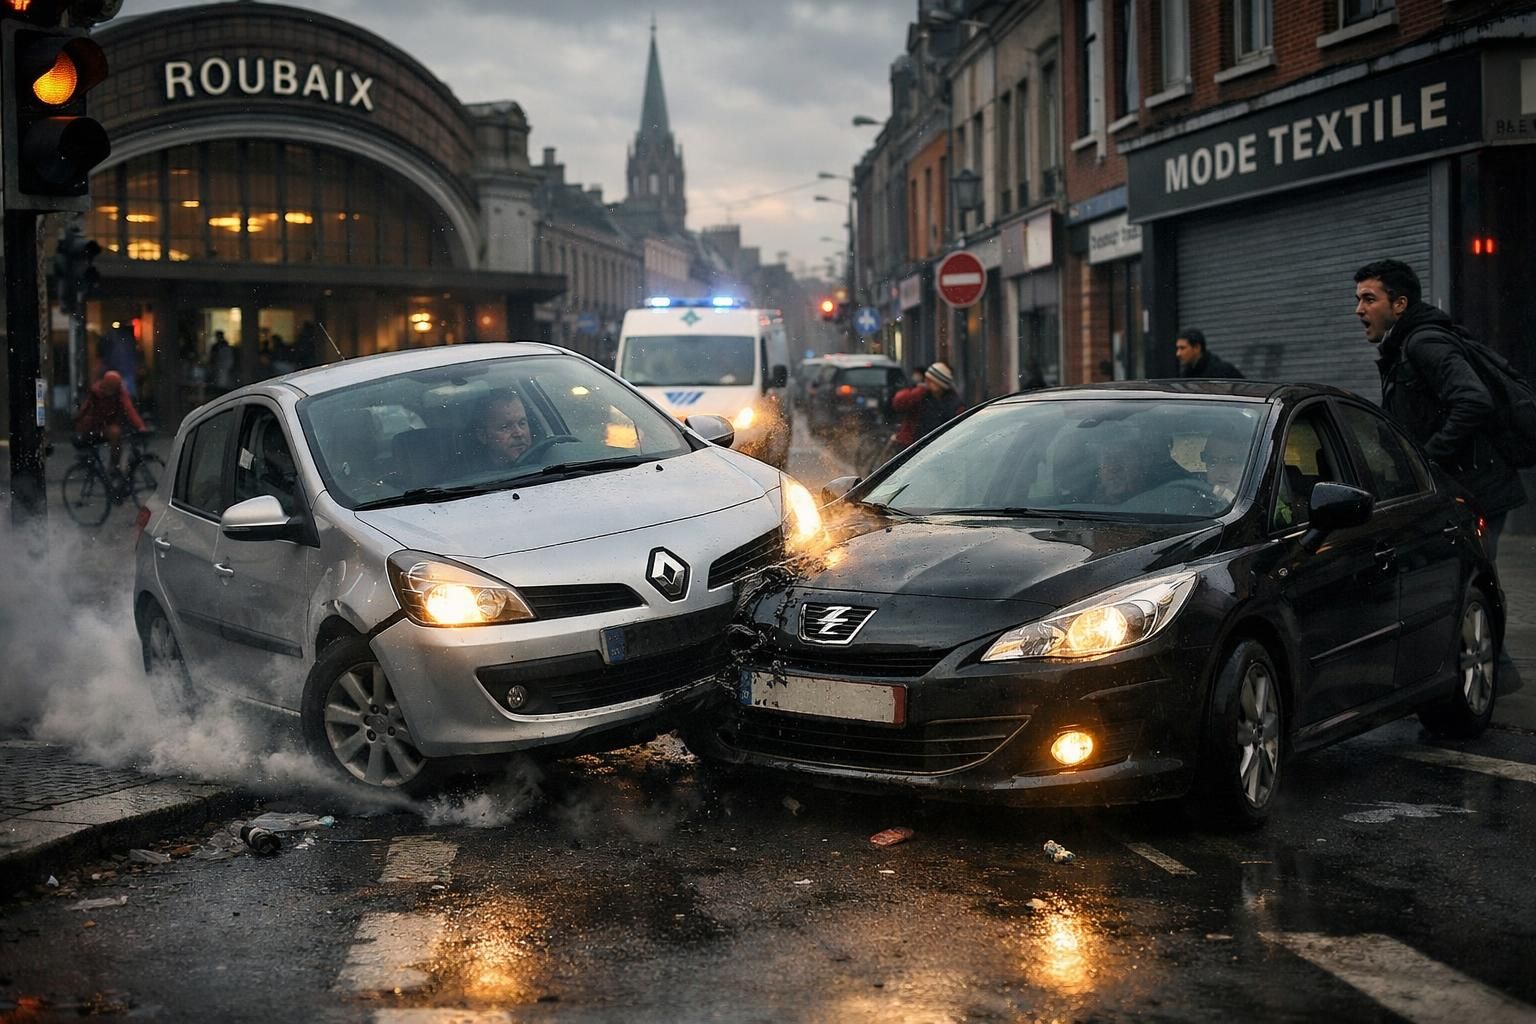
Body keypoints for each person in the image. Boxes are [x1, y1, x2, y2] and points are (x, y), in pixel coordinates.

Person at [1354, 258, 1526, 560]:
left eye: (1369, 299)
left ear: (1400, 304)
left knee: (1470, 578)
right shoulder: (1404, 345)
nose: (1359, 309)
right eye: (1358, 300)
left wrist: (1427, 459)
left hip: (1476, 491)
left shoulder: (1425, 343)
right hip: (1462, 489)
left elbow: (1474, 400)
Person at [74, 369, 146, 482]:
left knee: (117, 437)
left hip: (107, 425)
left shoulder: (119, 392)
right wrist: (78, 423)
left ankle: (114, 466)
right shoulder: (96, 392)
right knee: (115, 433)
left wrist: (140, 426)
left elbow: (129, 409)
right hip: (95, 427)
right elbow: (86, 409)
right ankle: (114, 467)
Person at [890, 361, 963, 450]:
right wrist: (920, 390)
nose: (926, 382)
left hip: (938, 446)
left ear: (940, 383)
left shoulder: (953, 402)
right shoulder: (920, 395)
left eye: (930, 380)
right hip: (913, 446)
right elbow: (898, 402)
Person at [474, 390, 533, 468]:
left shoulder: (546, 459)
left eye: (522, 423)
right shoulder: (474, 473)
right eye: (505, 427)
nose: (519, 433)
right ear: (483, 436)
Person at [1175, 329, 1243, 379]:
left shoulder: (1221, 371)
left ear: (1197, 348)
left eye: (1182, 348)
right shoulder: (1186, 374)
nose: (1178, 353)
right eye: (1177, 348)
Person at [1201, 432, 1248, 504]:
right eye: (1213, 461)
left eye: (1231, 461)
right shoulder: (1192, 493)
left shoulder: (1256, 499)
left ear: (1245, 465)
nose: (1220, 472)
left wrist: (1232, 499)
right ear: (1206, 464)